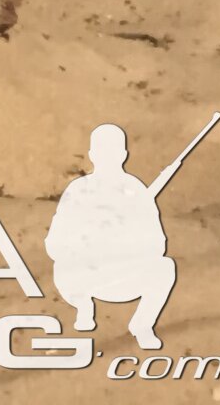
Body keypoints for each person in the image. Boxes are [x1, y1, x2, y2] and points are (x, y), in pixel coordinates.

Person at [45, 123, 179, 350]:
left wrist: (127, 238)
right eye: (103, 152)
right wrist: (85, 242)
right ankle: (83, 307)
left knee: (165, 268)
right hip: (84, 276)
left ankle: (142, 325)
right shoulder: (79, 190)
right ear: (92, 155)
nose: (108, 158)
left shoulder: (136, 191)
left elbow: (158, 245)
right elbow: (54, 244)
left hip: (123, 275)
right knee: (63, 267)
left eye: (113, 152)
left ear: (123, 155)